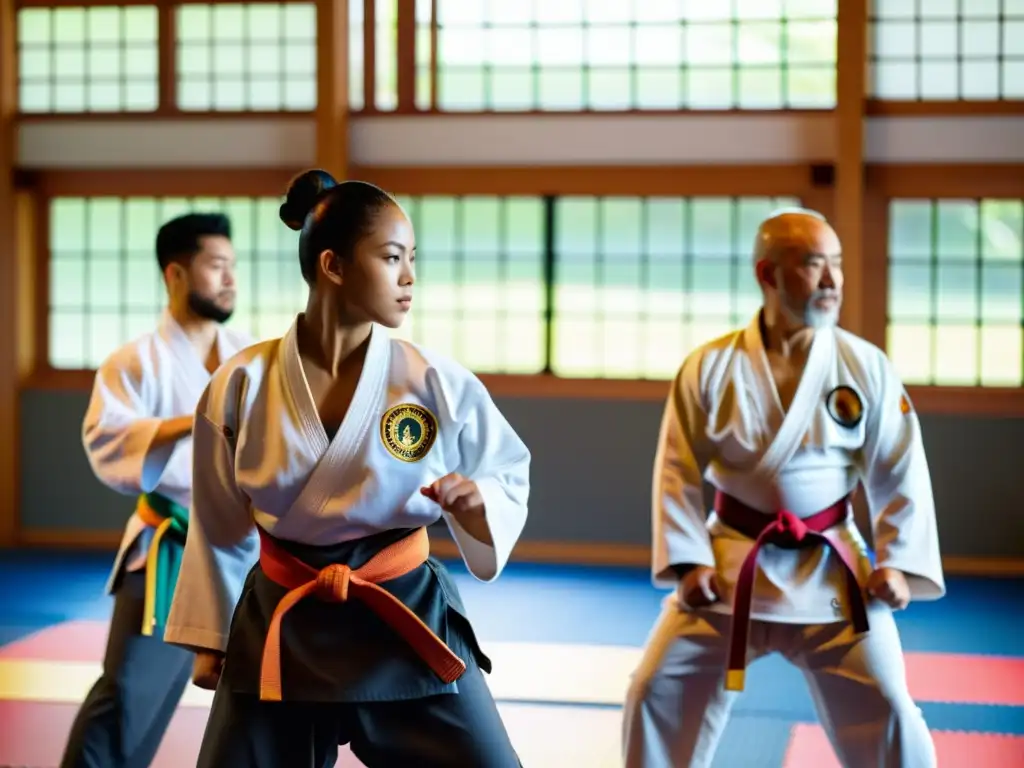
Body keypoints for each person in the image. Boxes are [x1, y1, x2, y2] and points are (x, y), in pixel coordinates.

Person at [163, 170, 530, 767]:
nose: (409, 277)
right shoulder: (240, 383)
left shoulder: (434, 380)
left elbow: (507, 468)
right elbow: (218, 521)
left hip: (404, 613)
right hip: (284, 623)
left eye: (413, 259)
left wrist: (477, 501)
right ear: (332, 265)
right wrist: (212, 639)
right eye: (391, 258)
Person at [621, 208, 945, 768]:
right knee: (652, 691)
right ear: (768, 274)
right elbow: (676, 468)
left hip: (834, 569)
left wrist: (896, 562)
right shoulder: (710, 366)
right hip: (730, 565)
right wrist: (688, 562)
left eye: (837, 266)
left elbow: (900, 467)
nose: (833, 282)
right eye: (815, 265)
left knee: (890, 705)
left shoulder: (863, 364)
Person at [62, 213, 254, 768]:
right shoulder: (134, 361)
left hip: (246, 552)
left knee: (259, 702)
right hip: (170, 544)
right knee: (129, 695)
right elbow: (108, 441)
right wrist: (192, 420)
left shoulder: (249, 356)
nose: (230, 279)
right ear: (175, 273)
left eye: (233, 267)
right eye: (216, 267)